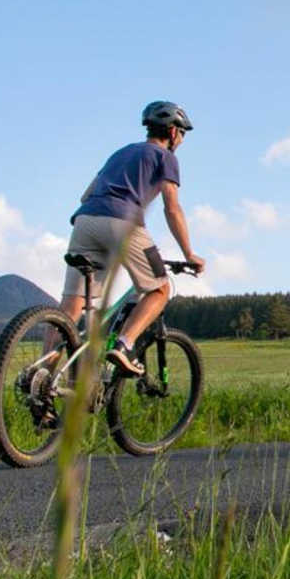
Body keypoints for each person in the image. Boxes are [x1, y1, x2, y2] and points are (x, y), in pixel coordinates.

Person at [61, 101, 206, 376]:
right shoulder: (166, 158)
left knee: (71, 308)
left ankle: (42, 374)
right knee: (159, 289)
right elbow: (171, 207)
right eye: (183, 134)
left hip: (84, 220)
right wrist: (189, 254)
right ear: (173, 132)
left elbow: (86, 196)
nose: (182, 140)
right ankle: (124, 345)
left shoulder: (120, 153)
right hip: (123, 222)